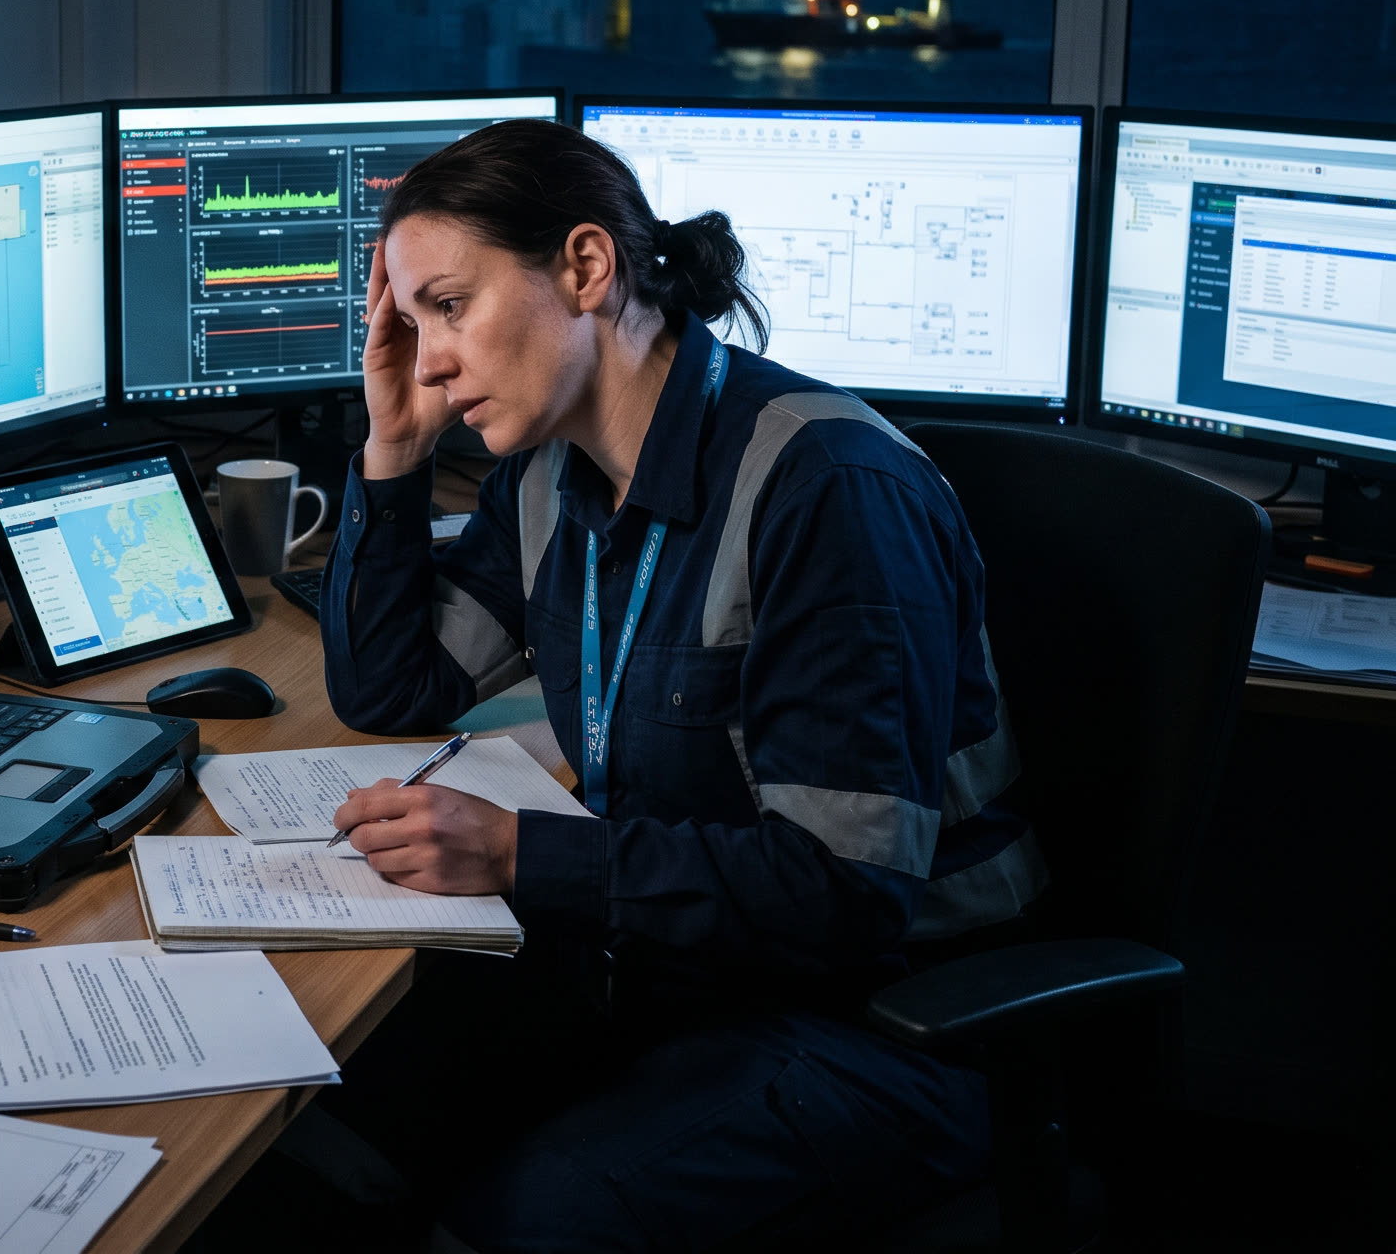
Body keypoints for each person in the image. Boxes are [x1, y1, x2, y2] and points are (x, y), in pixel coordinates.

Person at [313, 117, 1045, 1252]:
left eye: (449, 307)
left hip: (883, 1029)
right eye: (409, 326)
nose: (432, 356)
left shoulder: (827, 490)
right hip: (675, 976)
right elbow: (396, 686)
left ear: (586, 268)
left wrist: (515, 852)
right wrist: (393, 453)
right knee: (334, 1127)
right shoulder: (551, 470)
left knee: (515, 1220)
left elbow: (843, 895)